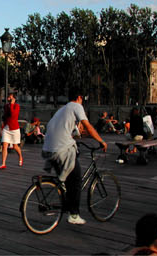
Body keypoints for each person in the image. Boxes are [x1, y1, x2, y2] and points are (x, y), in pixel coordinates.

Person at [41, 92, 106, 225]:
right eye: (83, 98)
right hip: (61, 150)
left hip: (48, 149)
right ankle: (74, 215)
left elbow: (73, 131)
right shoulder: (76, 106)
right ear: (79, 97)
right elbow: (87, 126)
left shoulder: (62, 110)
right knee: (76, 179)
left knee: (66, 180)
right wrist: (101, 141)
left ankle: (65, 203)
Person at [0, 94, 24, 169]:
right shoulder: (6, 106)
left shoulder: (17, 106)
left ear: (14, 98)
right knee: (4, 145)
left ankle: (20, 157)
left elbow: (13, 115)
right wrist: (3, 125)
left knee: (15, 146)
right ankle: (3, 163)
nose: (8, 98)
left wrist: (12, 104)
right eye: (8, 97)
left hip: (14, 128)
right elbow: (5, 116)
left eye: (10, 97)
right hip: (7, 128)